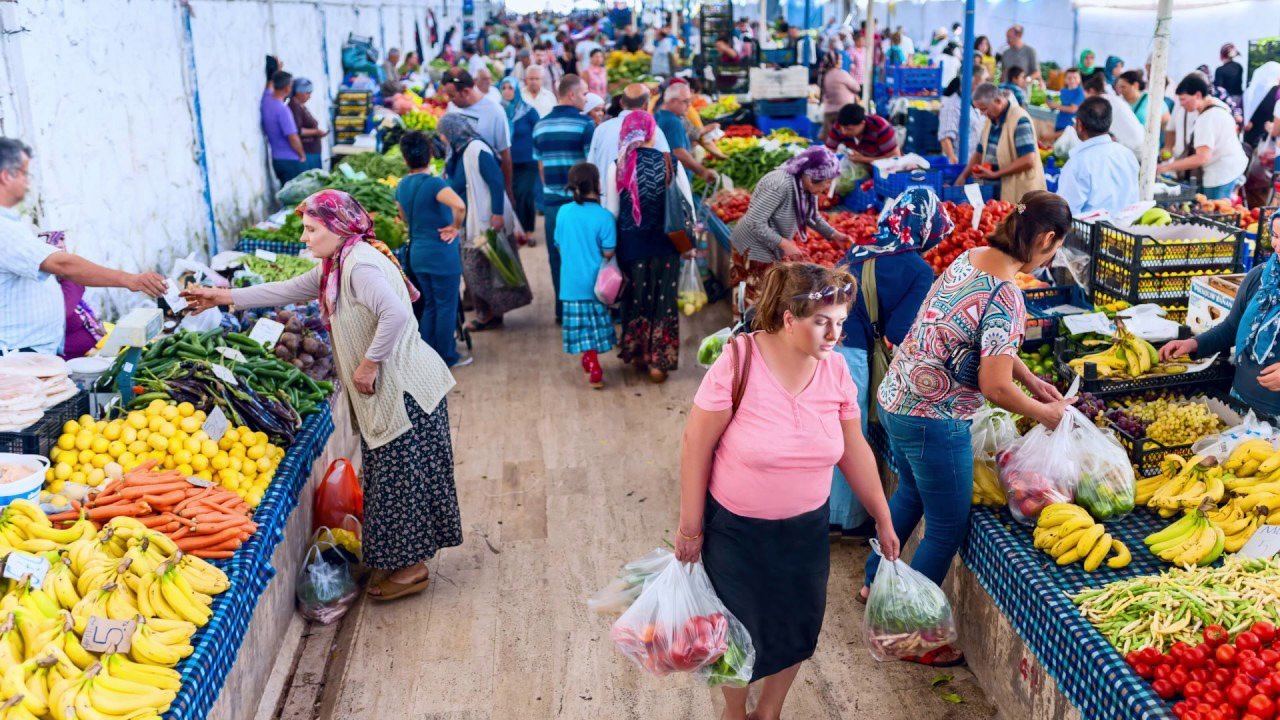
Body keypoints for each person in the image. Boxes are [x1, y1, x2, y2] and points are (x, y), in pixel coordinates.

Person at [183, 190, 460, 602]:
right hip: (396, 390)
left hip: (405, 391)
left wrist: (368, 364)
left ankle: (412, 569)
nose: (305, 238)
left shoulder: (359, 265)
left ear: (337, 227)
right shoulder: (339, 262)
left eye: (312, 230)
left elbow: (396, 314)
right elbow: (289, 289)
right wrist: (221, 297)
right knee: (395, 478)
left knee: (403, 480)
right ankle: (403, 559)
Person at [674, 262, 899, 720]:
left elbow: (852, 448)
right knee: (737, 630)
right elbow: (696, 444)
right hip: (736, 530)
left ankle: (769, 711)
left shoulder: (835, 371)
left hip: (805, 530)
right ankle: (734, 712)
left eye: (840, 322)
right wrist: (690, 527)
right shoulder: (738, 362)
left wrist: (883, 514)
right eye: (822, 322)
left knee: (799, 625)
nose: (834, 333)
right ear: (788, 318)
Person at [863, 191, 1074, 665]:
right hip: (934, 417)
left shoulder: (971, 257)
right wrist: (1045, 413)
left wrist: (1033, 380)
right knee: (945, 526)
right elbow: (994, 387)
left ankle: (873, 582)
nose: (1053, 255)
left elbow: (980, 340)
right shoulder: (1008, 294)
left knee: (912, 493)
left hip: (898, 396)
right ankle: (909, 635)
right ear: (1045, 238)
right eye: (1056, 247)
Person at [829, 188, 950, 536]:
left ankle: (817, 511)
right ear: (926, 228)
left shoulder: (860, 250)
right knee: (851, 437)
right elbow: (897, 330)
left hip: (825, 342)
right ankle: (845, 521)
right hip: (851, 354)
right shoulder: (919, 269)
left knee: (826, 429)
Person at [0, 139, 167, 354]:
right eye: (24, 174)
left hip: (28, 348)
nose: (27, 182)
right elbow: (63, 265)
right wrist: (131, 280)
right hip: (18, 352)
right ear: (6, 176)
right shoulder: (4, 230)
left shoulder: (9, 224)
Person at [1161, 210, 1280, 418]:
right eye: (1276, 236)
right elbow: (1232, 328)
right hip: (1240, 405)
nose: (1275, 245)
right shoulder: (1259, 279)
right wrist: (1193, 344)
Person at [601, 111, 680, 383]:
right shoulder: (671, 163)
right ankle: (659, 362)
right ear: (650, 133)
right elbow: (686, 208)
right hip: (667, 245)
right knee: (664, 301)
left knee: (636, 300)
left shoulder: (617, 166)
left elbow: (610, 212)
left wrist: (608, 251)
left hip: (631, 246)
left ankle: (637, 353)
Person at [730, 147, 853, 312]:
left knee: (766, 291)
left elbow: (812, 216)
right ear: (811, 178)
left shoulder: (805, 187)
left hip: (770, 245)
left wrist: (834, 234)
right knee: (752, 295)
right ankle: (746, 331)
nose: (826, 188)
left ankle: (758, 324)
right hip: (752, 247)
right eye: (826, 182)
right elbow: (755, 221)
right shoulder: (779, 185)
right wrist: (784, 244)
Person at [438, 114, 531, 333]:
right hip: (468, 220)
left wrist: (497, 214)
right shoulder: (457, 151)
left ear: (452, 131)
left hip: (484, 219)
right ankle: (489, 313)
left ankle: (489, 314)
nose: (441, 138)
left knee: (481, 269)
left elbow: (496, 183)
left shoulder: (476, 150)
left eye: (442, 132)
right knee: (478, 270)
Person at [396, 131, 469, 369]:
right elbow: (459, 205)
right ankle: (447, 356)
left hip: (417, 253)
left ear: (406, 159)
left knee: (429, 305)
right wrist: (454, 227)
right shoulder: (435, 183)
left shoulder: (403, 185)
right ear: (430, 155)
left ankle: (426, 357)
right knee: (446, 305)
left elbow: (403, 217)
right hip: (440, 254)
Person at [532, 74, 595, 324]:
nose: (586, 98)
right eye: (584, 93)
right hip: (578, 203)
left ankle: (562, 310)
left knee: (556, 256)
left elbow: (541, 167)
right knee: (581, 255)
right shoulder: (585, 124)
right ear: (572, 94)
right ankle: (584, 310)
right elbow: (590, 168)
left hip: (551, 203)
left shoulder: (540, 125)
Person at [556, 162, 617, 388]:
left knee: (581, 329)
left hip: (570, 284)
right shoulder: (604, 216)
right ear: (598, 184)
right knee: (594, 327)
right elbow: (609, 251)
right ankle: (594, 365)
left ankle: (590, 361)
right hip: (597, 285)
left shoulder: (563, 212)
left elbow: (559, 246)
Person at [1156, 73, 1249, 200]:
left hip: (1221, 175)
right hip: (1230, 169)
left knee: (1216, 212)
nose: (1181, 105)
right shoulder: (1218, 107)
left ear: (1198, 95)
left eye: (1183, 99)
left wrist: (1165, 168)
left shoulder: (1207, 118)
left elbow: (1202, 157)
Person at [954, 83, 1046, 203]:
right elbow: (979, 153)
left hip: (1020, 193)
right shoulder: (990, 121)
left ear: (998, 101)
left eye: (984, 109)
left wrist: (996, 174)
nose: (982, 114)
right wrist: (963, 177)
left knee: (1019, 217)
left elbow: (1028, 160)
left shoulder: (1020, 119)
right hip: (997, 191)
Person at [440, 68, 515, 203]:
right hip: (458, 188)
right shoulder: (453, 107)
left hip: (484, 190)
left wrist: (507, 190)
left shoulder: (494, 112)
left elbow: (505, 155)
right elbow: (450, 144)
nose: (449, 101)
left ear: (466, 92)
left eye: (452, 95)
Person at [1057, 97, 1140, 216]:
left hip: (1088, 234)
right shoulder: (1127, 155)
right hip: (1125, 231)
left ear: (1079, 125)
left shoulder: (1077, 164)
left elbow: (1067, 212)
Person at [589, 83, 672, 178]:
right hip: (640, 191)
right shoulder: (654, 131)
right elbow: (666, 167)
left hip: (605, 191)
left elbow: (592, 166)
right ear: (646, 106)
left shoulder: (601, 129)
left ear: (621, 103)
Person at [500, 76, 541, 247]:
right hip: (507, 162)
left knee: (525, 195)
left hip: (528, 162)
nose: (507, 91)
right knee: (512, 196)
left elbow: (539, 132)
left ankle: (529, 232)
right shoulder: (499, 111)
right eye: (505, 88)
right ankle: (516, 233)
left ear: (517, 90)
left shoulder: (528, 111)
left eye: (511, 87)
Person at [657, 82, 717, 185]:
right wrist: (703, 172)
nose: (689, 105)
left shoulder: (659, 114)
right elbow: (679, 152)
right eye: (686, 101)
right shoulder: (673, 122)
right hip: (676, 179)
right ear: (672, 101)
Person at [1079, 71, 1145, 157]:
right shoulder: (1111, 99)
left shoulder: (1101, 102)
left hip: (1134, 148)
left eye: (1086, 96)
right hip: (1140, 144)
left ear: (1091, 91)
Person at [261, 71, 306, 184]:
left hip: (276, 159)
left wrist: (276, 71)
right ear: (287, 87)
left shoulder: (267, 101)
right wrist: (301, 155)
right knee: (294, 197)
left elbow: (269, 87)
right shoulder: (283, 110)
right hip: (290, 160)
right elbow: (292, 137)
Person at [939, 68, 989, 164]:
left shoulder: (974, 103)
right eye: (980, 85)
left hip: (975, 163)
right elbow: (945, 137)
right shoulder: (952, 106)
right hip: (961, 163)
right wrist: (952, 158)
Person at [826, 103, 899, 165]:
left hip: (882, 170)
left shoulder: (881, 128)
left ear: (862, 124)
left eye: (849, 129)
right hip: (859, 167)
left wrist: (863, 159)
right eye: (842, 128)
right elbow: (828, 151)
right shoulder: (838, 126)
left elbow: (895, 157)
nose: (844, 132)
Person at [819, 52, 860, 142]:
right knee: (844, 141)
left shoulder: (825, 75)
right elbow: (856, 88)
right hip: (844, 113)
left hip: (829, 114)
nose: (841, 61)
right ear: (836, 62)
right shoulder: (841, 74)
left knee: (831, 141)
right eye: (840, 59)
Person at [288, 78, 327, 170]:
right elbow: (297, 130)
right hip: (307, 151)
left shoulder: (301, 106)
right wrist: (315, 132)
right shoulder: (294, 107)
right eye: (307, 93)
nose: (309, 96)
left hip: (312, 151)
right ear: (298, 92)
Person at [1049, 67, 1084, 135]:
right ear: (1065, 79)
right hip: (1060, 123)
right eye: (1069, 78)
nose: (1072, 80)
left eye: (1075, 77)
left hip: (1072, 126)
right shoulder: (1063, 91)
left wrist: (1056, 105)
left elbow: (1073, 109)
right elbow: (1057, 106)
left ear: (1079, 79)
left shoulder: (1079, 92)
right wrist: (1051, 104)